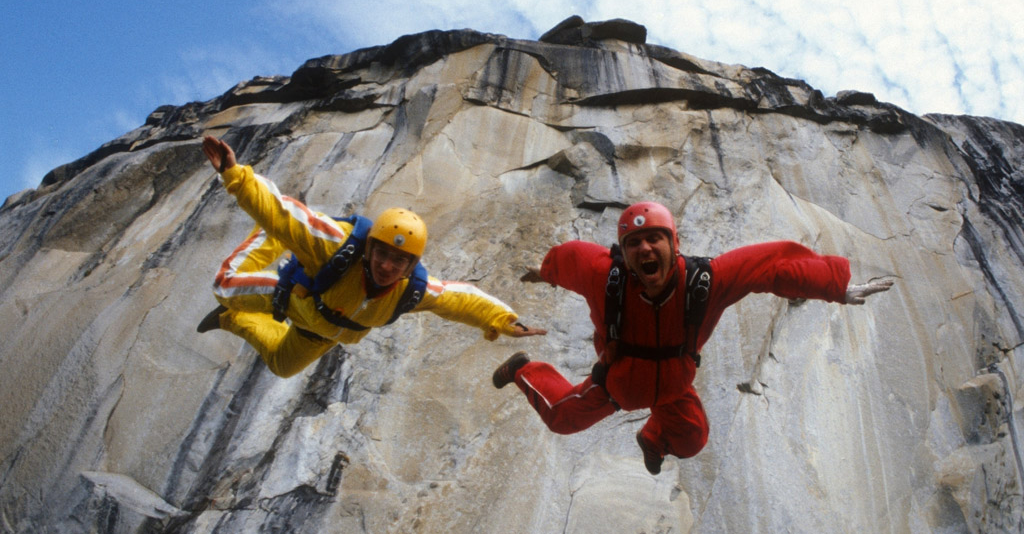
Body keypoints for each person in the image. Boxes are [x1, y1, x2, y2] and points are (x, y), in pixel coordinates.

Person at [492, 201, 892, 475]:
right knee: (561, 419)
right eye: (633, 243)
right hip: (619, 385)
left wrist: (834, 286)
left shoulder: (704, 283)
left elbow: (769, 265)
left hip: (672, 387)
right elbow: (567, 260)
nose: (645, 248)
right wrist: (544, 273)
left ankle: (652, 439)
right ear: (624, 254)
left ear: (674, 243)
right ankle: (523, 369)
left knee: (692, 438)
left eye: (655, 238)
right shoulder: (605, 277)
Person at [197, 135, 545, 377]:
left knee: (282, 366)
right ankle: (269, 236)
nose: (386, 266)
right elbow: (283, 211)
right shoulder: (337, 245)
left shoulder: (411, 290)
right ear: (369, 247)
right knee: (224, 285)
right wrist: (235, 175)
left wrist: (503, 320)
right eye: (381, 253)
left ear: (411, 265)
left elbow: (461, 299)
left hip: (321, 332)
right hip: (292, 297)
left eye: (399, 261)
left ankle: (229, 319)